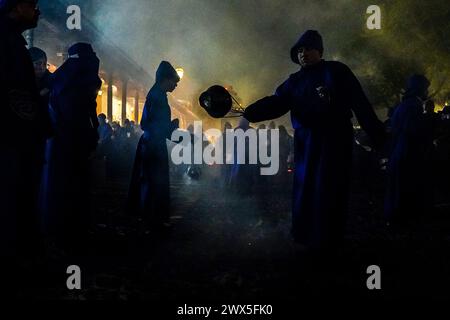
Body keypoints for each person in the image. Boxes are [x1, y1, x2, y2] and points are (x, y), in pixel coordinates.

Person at [243, 30, 385, 252]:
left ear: (319, 51)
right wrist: (251, 112)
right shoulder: (294, 81)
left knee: (331, 187)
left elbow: (360, 103)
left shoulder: (337, 72)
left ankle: (329, 238)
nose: (303, 54)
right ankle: (304, 235)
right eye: (299, 51)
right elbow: (277, 102)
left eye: (308, 48)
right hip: (306, 143)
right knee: (305, 187)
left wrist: (379, 136)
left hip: (334, 140)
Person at [41, 43, 101, 253]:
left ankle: (64, 230)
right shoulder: (77, 82)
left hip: (62, 143)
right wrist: (90, 138)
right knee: (70, 187)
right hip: (70, 143)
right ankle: (68, 232)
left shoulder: (63, 78)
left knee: (62, 187)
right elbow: (83, 116)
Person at [0, 0, 45, 281]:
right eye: (33, 4)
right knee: (10, 197)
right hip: (11, 138)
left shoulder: (11, 40)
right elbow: (15, 94)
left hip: (14, 136)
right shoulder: (7, 41)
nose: (37, 11)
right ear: (16, 7)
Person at [127, 61, 180, 233]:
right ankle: (152, 220)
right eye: (174, 81)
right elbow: (151, 125)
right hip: (153, 146)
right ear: (165, 79)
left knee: (154, 182)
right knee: (153, 183)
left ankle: (153, 218)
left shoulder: (158, 94)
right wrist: (172, 128)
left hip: (153, 144)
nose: (175, 85)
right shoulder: (157, 96)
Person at [385, 75, 435, 227]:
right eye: (425, 88)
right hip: (407, 152)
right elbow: (413, 130)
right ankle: (402, 219)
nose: (427, 92)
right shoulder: (414, 105)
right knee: (405, 187)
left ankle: (396, 217)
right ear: (419, 89)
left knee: (399, 187)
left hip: (399, 151)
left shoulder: (404, 105)